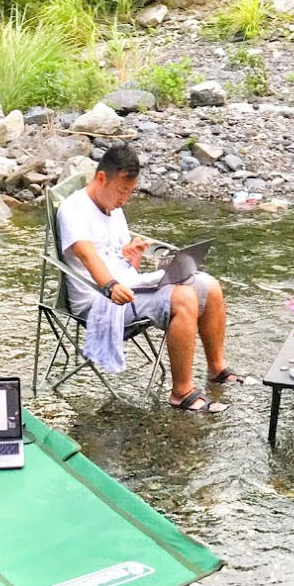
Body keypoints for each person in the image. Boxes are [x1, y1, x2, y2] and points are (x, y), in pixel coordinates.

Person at [56, 142, 235, 413]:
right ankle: (181, 393)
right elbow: (88, 256)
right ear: (101, 178)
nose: (124, 199)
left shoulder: (114, 209)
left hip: (130, 288)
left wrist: (132, 255)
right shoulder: (73, 210)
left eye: (130, 192)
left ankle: (217, 369)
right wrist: (110, 285)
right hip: (100, 301)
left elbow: (121, 261)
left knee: (209, 286)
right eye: (122, 191)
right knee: (184, 298)